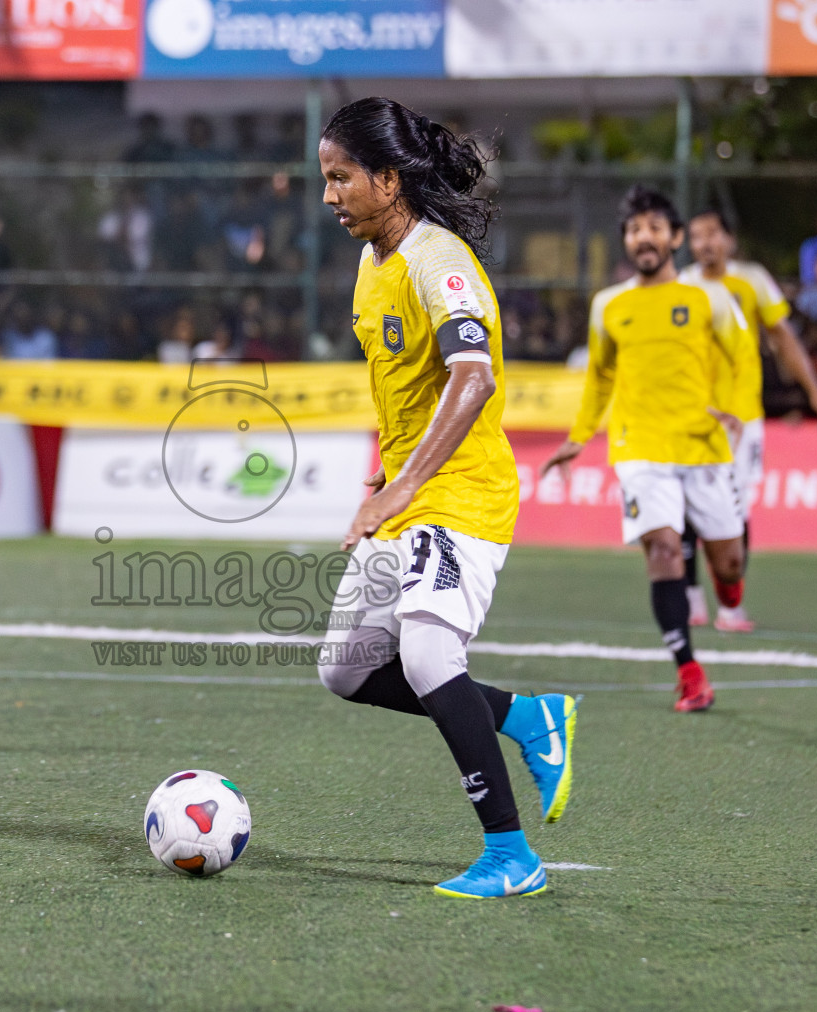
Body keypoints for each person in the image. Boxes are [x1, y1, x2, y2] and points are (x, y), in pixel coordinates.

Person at [314, 97, 577, 901]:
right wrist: (390, 468)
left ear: (389, 179)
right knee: (348, 669)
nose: (328, 197)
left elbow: (475, 376)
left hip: (461, 495)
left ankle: (511, 854)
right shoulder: (372, 263)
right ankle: (527, 718)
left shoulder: (440, 262)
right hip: (414, 489)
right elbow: (407, 385)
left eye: (340, 178)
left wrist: (405, 482)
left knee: (429, 655)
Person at [544, 186, 747, 714]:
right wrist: (577, 439)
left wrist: (733, 408)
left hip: (702, 448)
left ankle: (728, 585)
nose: (644, 238)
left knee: (729, 562)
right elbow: (599, 378)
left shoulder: (710, 298)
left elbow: (742, 356)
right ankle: (688, 671)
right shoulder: (608, 305)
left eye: (655, 227)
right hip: (639, 449)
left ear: (675, 238)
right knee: (661, 547)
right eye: (635, 229)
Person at [678, 210, 817, 632]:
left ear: (729, 239)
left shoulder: (752, 279)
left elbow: (782, 337)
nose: (704, 243)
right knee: (689, 508)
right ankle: (691, 599)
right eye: (695, 236)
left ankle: (730, 606)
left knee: (736, 510)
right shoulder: (682, 287)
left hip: (744, 418)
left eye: (712, 233)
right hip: (698, 416)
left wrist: (816, 394)